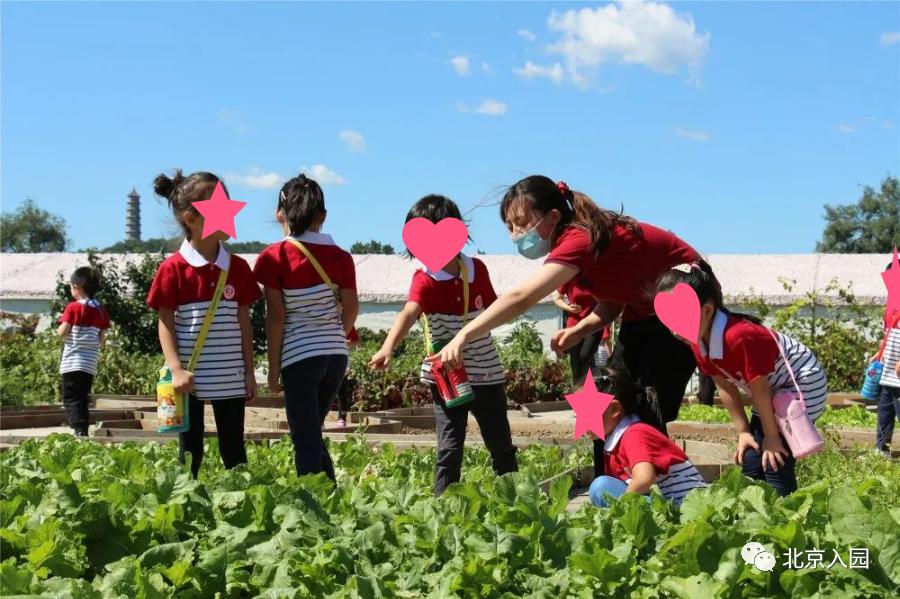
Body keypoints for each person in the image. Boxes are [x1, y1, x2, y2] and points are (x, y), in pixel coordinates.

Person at [432, 175, 700, 476]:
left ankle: (658, 488)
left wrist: (464, 335)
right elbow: (614, 301)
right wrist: (578, 330)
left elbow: (521, 298)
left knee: (649, 402)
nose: (516, 233)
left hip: (685, 304)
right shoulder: (578, 245)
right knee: (607, 402)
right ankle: (612, 486)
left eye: (521, 222)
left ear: (554, 216)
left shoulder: (580, 239)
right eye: (509, 226)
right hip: (643, 313)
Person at [369, 194, 517, 496]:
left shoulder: (476, 270)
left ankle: (513, 500)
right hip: (446, 378)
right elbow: (409, 311)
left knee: (500, 442)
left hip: (486, 372)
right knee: (449, 447)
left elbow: (493, 312)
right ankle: (444, 508)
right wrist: (387, 347)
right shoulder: (424, 280)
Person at [655, 261, 827, 496]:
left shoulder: (738, 337)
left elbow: (761, 390)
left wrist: (772, 436)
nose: (675, 330)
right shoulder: (698, 341)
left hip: (803, 383)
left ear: (707, 310)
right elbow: (724, 387)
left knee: (776, 457)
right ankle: (753, 511)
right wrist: (744, 432)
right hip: (772, 390)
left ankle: (786, 515)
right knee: (752, 458)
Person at [147, 170, 261, 478]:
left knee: (233, 447)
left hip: (230, 374)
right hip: (189, 376)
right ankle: (187, 500)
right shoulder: (173, 269)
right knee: (189, 448)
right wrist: (176, 368)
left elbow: (244, 323)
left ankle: (242, 501)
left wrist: (250, 372)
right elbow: (166, 322)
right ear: (191, 217)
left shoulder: (237, 267)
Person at [254, 174, 359, 481]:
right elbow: (352, 308)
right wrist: (335, 336)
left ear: (279, 213)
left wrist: (272, 369)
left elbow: (275, 318)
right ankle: (330, 495)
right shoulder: (340, 256)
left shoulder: (274, 257)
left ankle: (314, 502)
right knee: (312, 429)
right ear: (322, 216)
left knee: (305, 437)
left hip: (300, 357)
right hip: (336, 357)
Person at [589, 367, 708, 507]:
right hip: (669, 505)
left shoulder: (635, 434)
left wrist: (621, 508)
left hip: (684, 507)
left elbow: (644, 478)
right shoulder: (615, 440)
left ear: (615, 410)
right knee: (605, 487)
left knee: (601, 487)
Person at [56, 267, 110, 437]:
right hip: (89, 364)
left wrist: (59, 328)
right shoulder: (101, 310)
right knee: (82, 397)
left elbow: (63, 332)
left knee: (71, 398)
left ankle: (79, 429)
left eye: (72, 287)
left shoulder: (72, 308)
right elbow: (102, 339)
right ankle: (83, 429)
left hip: (72, 362)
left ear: (78, 287)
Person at [872, 259, 900, 455]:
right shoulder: (891, 307)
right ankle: (881, 449)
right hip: (888, 372)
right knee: (884, 412)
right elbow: (888, 336)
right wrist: (879, 353)